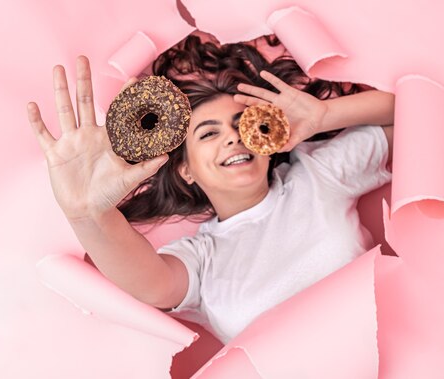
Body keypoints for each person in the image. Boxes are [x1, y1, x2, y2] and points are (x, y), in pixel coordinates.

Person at [27, 34, 395, 344]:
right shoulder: (200, 259)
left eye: (241, 124)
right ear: (185, 169)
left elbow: (412, 117)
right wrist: (86, 213)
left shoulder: (318, 175)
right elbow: (150, 285)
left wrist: (325, 117)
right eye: (209, 133)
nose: (233, 138)